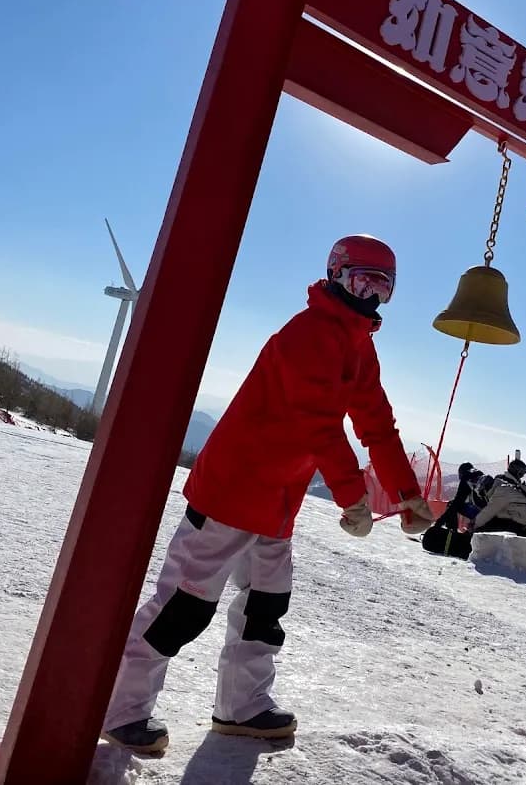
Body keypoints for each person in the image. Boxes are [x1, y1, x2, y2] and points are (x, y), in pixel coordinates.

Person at [102, 234, 434, 754]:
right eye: (362, 282)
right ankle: (120, 707)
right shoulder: (308, 334)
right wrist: (352, 496)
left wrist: (407, 493)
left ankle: (242, 706)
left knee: (265, 606)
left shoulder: (358, 347)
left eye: (383, 288)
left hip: (278, 503)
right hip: (231, 493)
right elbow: (317, 424)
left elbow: (376, 424)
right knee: (183, 606)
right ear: (336, 275)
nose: (371, 297)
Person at [471, 458, 526, 537]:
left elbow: (489, 511)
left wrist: (474, 525)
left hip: (521, 523)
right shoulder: (507, 485)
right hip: (519, 520)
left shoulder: (501, 489)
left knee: (483, 529)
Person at [435, 462, 493, 531]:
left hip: (482, 514)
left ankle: (452, 531)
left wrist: (439, 522)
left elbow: (457, 502)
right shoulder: (480, 475)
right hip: (491, 512)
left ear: (461, 473)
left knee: (452, 504)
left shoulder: (467, 478)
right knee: (456, 505)